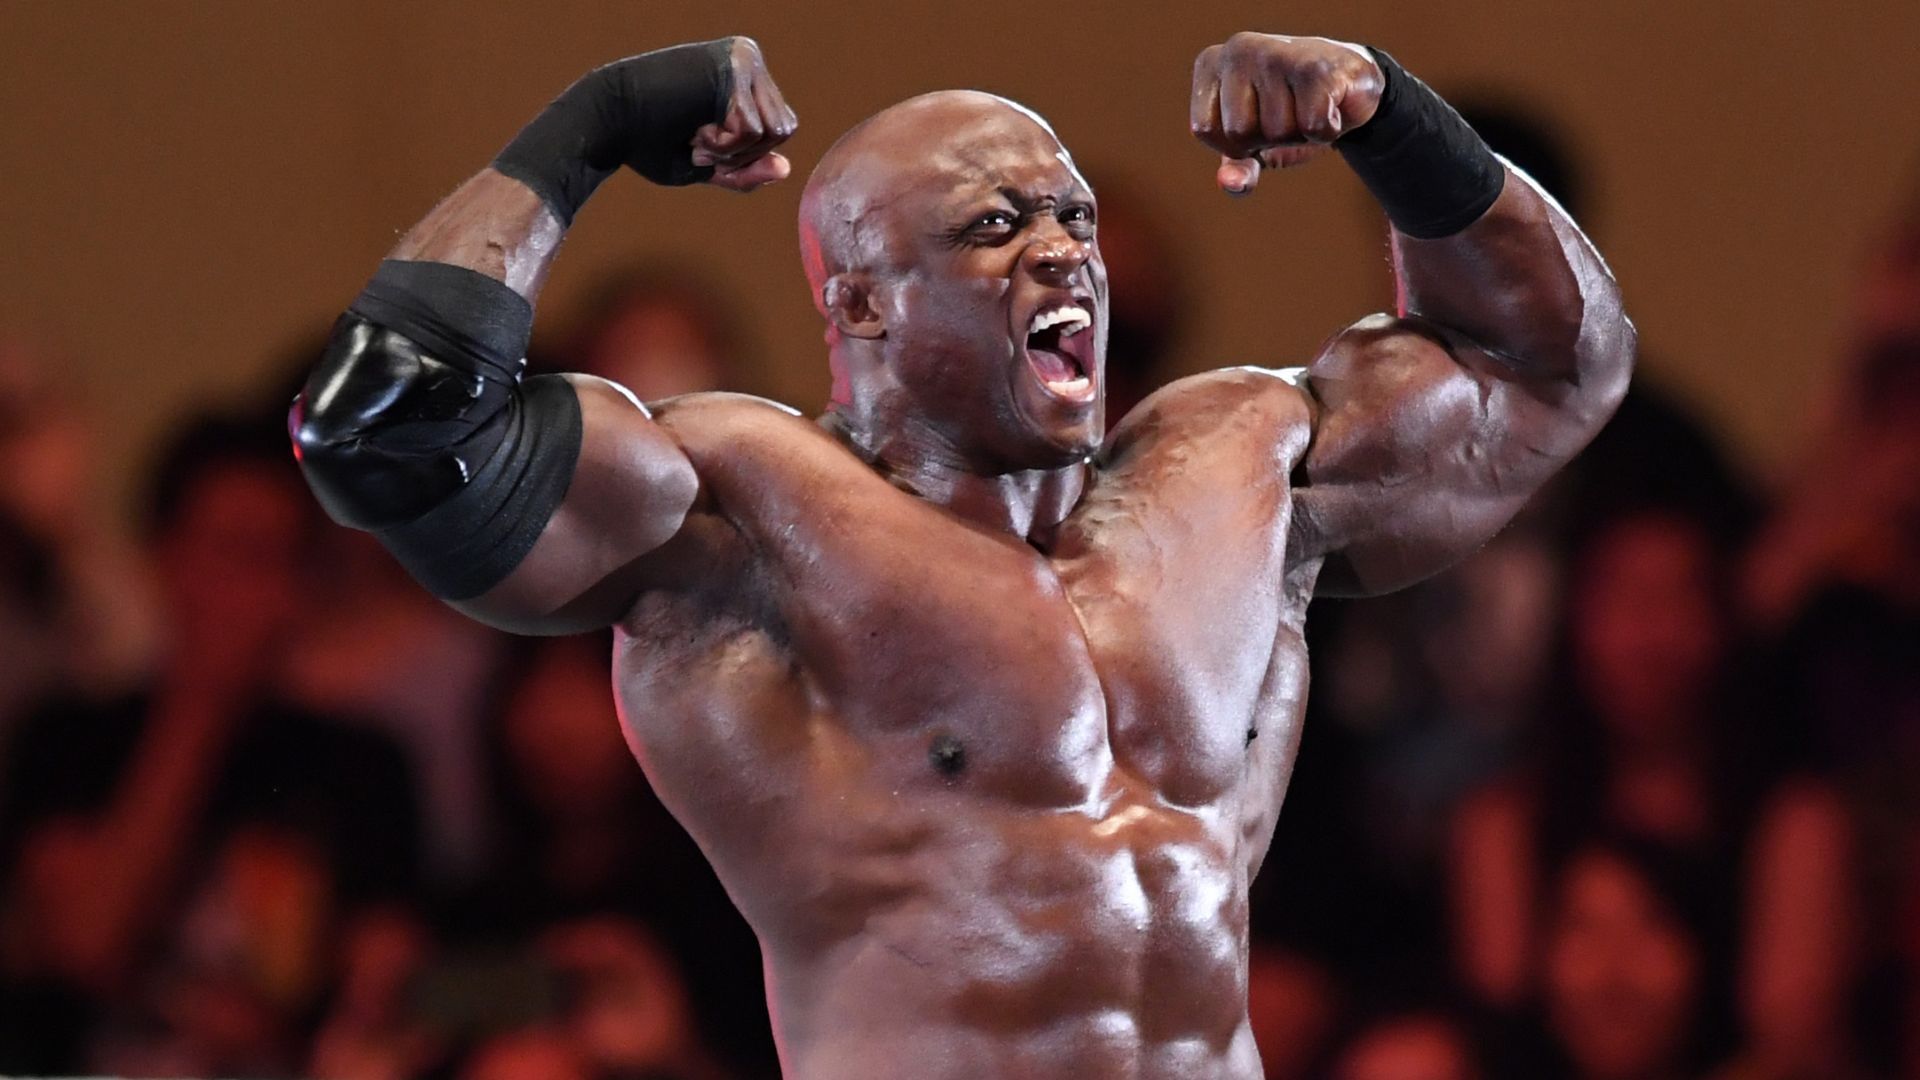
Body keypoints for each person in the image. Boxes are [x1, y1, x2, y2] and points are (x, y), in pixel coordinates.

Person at [290, 32, 1632, 1077]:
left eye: (1076, 218)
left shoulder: (1243, 468)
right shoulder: (741, 515)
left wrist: (1392, 121)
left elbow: (1558, 364)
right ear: (861, 303)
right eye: (998, 227)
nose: (1064, 255)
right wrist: (585, 129)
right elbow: (385, 435)